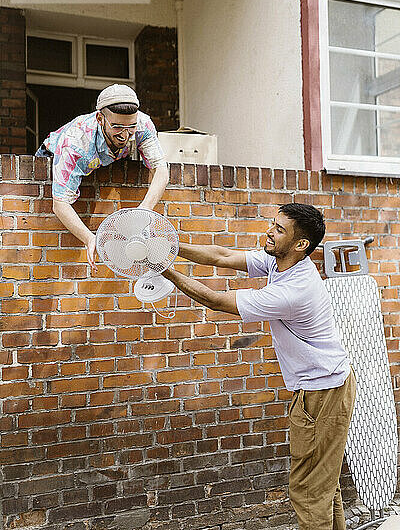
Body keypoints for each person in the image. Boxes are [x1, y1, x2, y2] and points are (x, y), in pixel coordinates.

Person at [162, 203, 356, 530]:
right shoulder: (279, 262)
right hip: (327, 387)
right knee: (323, 485)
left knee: (309, 491)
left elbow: (215, 300)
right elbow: (221, 256)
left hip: (322, 394)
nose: (269, 231)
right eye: (273, 223)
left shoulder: (293, 291)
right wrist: (168, 249)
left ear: (300, 245)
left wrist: (161, 268)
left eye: (279, 229)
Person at [36, 84, 169, 268]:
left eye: (131, 127)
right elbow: (60, 204)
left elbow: (161, 170)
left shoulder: (143, 125)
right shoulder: (75, 142)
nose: (125, 135)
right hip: (53, 155)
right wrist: (89, 238)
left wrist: (144, 210)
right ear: (100, 118)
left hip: (104, 159)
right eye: (117, 127)